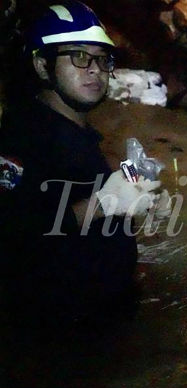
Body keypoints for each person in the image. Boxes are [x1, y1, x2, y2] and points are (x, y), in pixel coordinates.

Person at [0, 1, 163, 326]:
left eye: (102, 59)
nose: (95, 69)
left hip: (103, 324)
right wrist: (103, 203)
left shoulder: (79, 134)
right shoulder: (23, 137)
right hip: (58, 341)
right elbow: (14, 236)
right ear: (42, 66)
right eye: (78, 56)